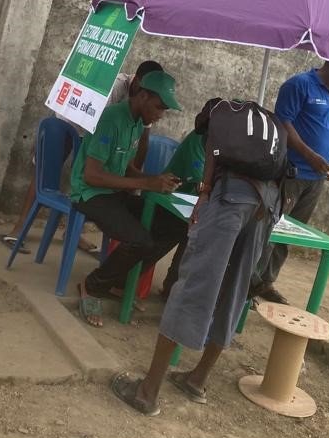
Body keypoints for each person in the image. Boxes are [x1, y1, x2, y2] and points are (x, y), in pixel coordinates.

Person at [111, 99, 290, 416]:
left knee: (193, 285)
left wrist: (205, 194)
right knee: (236, 290)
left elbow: (212, 155)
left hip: (231, 199)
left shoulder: (218, 117)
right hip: (268, 205)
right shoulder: (264, 125)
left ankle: (147, 392)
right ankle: (197, 379)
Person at [0, 60, 163, 253]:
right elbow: (101, 125)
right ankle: (19, 228)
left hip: (94, 133)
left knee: (92, 185)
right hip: (70, 122)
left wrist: (134, 180)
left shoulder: (149, 98)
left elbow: (143, 139)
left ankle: (72, 232)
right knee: (45, 173)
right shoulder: (116, 87)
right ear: (137, 81)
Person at [250, 60, 329, 304]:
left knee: (289, 234)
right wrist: (310, 156)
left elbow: (325, 129)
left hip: (316, 178)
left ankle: (265, 282)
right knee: (269, 231)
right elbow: (283, 124)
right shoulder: (299, 85)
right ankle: (247, 286)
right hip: (292, 174)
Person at [72, 70, 188, 327]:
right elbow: (92, 175)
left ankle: (117, 282)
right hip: (89, 193)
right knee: (139, 240)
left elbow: (125, 168)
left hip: (114, 193)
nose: (160, 115)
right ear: (143, 96)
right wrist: (145, 183)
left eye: (165, 110)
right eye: (159, 107)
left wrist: (155, 180)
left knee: (176, 226)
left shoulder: (137, 124)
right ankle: (92, 286)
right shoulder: (111, 119)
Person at [159, 97, 221, 300]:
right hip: (171, 203)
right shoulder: (198, 141)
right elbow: (201, 184)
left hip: (192, 208)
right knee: (195, 231)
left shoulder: (222, 146)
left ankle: (174, 288)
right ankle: (171, 288)